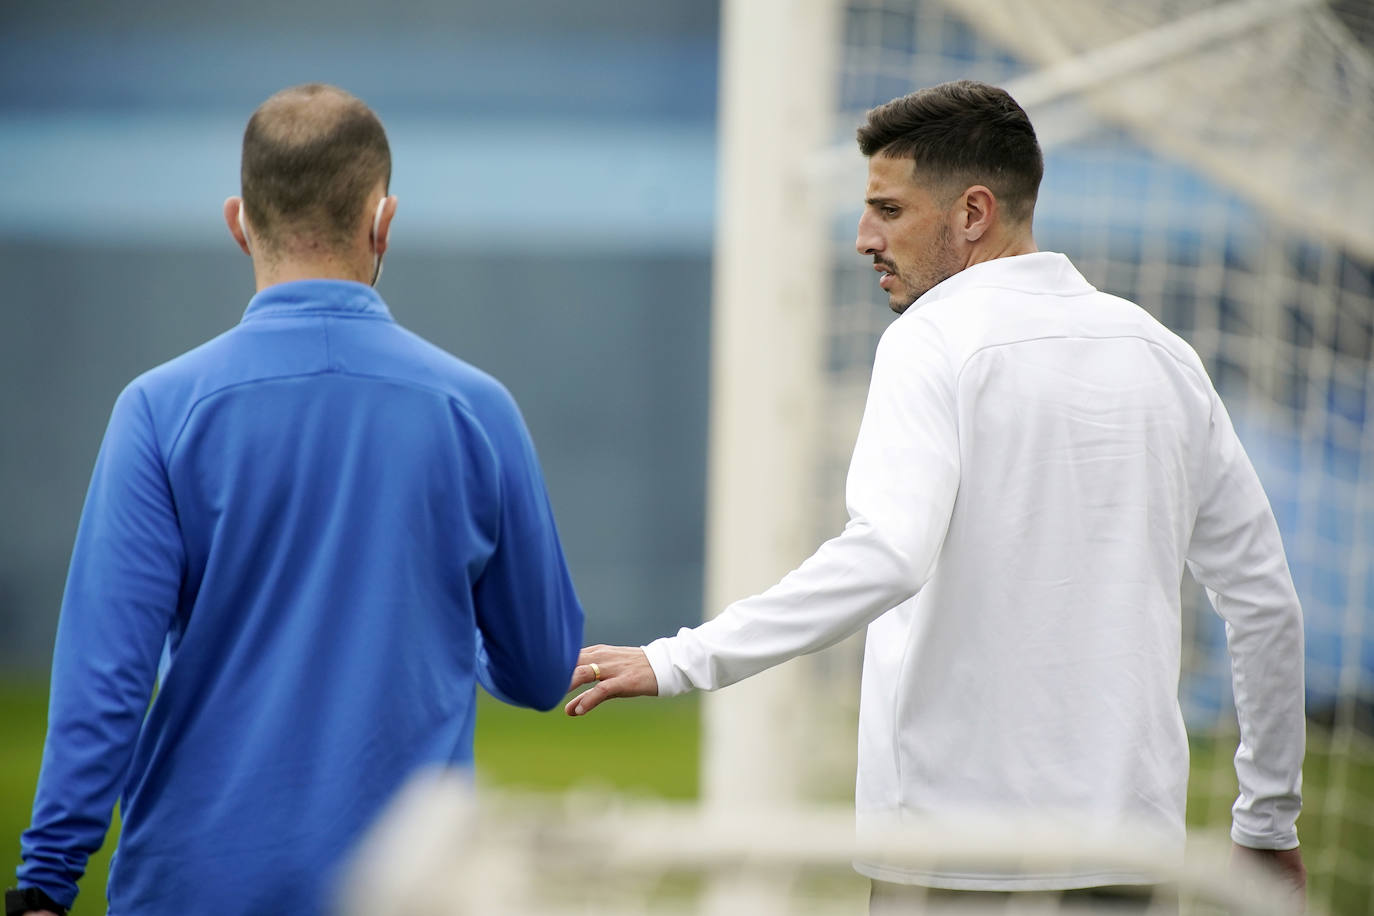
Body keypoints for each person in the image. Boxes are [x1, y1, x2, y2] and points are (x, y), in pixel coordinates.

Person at [565, 80, 1306, 908]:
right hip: (1130, 851)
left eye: (888, 210)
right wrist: (1268, 823)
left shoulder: (931, 339)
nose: (861, 238)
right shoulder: (1164, 355)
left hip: (954, 854)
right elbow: (1265, 604)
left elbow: (886, 554)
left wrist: (676, 659)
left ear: (973, 213)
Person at [8, 83, 584, 916]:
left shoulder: (159, 409)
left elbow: (107, 678)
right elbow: (538, 670)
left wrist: (46, 881)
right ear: (384, 221)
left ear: (239, 221)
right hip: (407, 887)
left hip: (193, 885)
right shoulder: (476, 408)